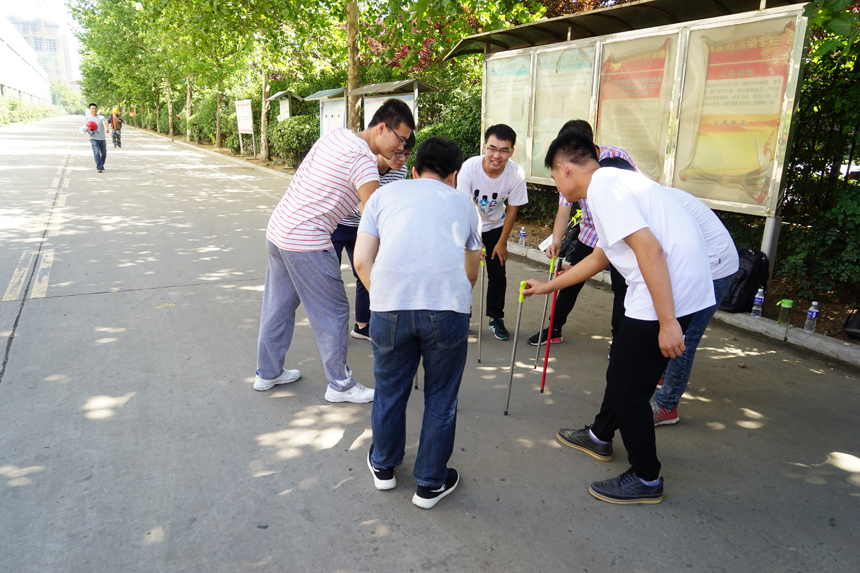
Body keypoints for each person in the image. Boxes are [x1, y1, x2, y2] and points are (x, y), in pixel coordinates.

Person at [522, 133, 714, 504]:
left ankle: (646, 477)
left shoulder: (605, 187)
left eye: (555, 179)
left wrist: (668, 321)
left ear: (564, 169)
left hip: (664, 293)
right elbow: (599, 257)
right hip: (677, 289)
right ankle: (600, 436)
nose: (559, 188)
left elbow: (651, 250)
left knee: (628, 387)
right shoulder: (614, 183)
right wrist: (549, 287)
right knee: (628, 377)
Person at [255, 98, 415, 404]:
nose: (401, 148)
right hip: (307, 241)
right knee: (334, 311)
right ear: (382, 127)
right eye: (401, 139)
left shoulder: (336, 135)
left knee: (278, 305)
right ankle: (340, 385)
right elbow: (373, 214)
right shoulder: (364, 161)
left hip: (279, 230)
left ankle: (268, 372)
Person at [354, 137, 481, 509]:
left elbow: (363, 261)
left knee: (390, 388)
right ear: (454, 175)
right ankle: (429, 484)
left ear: (413, 170)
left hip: (389, 306)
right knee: (441, 395)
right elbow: (470, 270)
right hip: (448, 309)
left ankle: (384, 467)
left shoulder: (382, 197)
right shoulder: (465, 205)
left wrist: (386, 298)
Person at [529, 119, 637, 347]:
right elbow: (564, 207)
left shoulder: (613, 162)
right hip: (590, 234)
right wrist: (556, 240)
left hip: (621, 233)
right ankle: (554, 328)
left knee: (622, 287)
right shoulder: (567, 166)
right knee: (571, 279)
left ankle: (619, 341)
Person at [331, 132, 416, 341]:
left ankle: (362, 325)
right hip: (339, 222)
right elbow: (364, 204)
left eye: (407, 154)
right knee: (330, 277)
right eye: (397, 153)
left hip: (364, 227)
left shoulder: (400, 172)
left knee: (366, 271)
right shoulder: (365, 164)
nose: (402, 159)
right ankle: (331, 331)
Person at [456, 124, 528, 340]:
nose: (497, 155)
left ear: (512, 151)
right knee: (467, 273)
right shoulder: (469, 167)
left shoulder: (515, 173)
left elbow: (513, 210)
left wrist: (501, 243)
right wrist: (473, 242)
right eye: (492, 148)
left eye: (504, 150)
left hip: (497, 227)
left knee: (498, 273)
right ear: (484, 146)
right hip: (469, 224)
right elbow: (463, 207)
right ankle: (461, 313)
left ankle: (496, 318)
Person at [81, 103, 109, 173]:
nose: (94, 110)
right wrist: (87, 129)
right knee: (96, 152)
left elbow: (104, 124)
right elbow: (85, 127)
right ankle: (99, 167)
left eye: (95, 108)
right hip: (93, 138)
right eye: (92, 108)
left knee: (104, 153)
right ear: (90, 109)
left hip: (102, 138)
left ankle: (101, 164)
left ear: (97, 109)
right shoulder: (87, 118)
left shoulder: (101, 117)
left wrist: (106, 129)